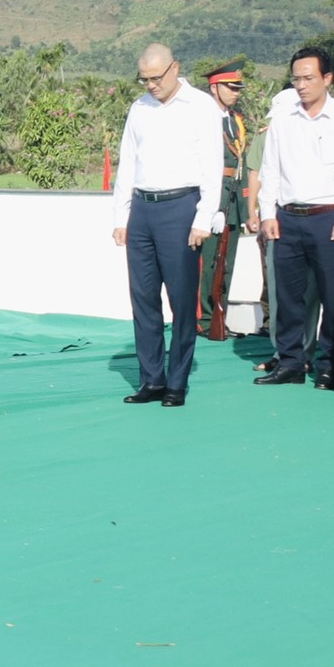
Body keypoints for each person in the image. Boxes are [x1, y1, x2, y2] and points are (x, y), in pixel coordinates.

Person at [111, 44, 223, 406]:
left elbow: (211, 164)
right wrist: (121, 217)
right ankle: (151, 380)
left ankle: (177, 382)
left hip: (181, 208)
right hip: (143, 209)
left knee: (180, 299)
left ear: (175, 68)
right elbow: (127, 163)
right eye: (143, 79)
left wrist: (203, 217)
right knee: (143, 298)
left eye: (156, 78)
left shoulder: (201, 106)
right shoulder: (139, 109)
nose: (150, 85)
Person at [255, 46, 334, 386]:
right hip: (287, 218)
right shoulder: (283, 120)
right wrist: (267, 212)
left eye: (309, 78)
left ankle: (328, 363)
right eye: (296, 78)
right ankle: (290, 362)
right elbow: (270, 169)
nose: (301, 85)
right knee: (288, 297)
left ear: (327, 78)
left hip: (329, 218)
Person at [197, 66, 252, 337]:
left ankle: (220, 316)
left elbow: (240, 165)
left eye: (237, 88)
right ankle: (203, 320)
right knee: (207, 264)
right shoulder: (204, 118)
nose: (235, 93)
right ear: (214, 88)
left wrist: (244, 208)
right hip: (212, 200)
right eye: (230, 87)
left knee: (226, 263)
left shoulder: (234, 120)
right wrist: (213, 207)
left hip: (231, 201)